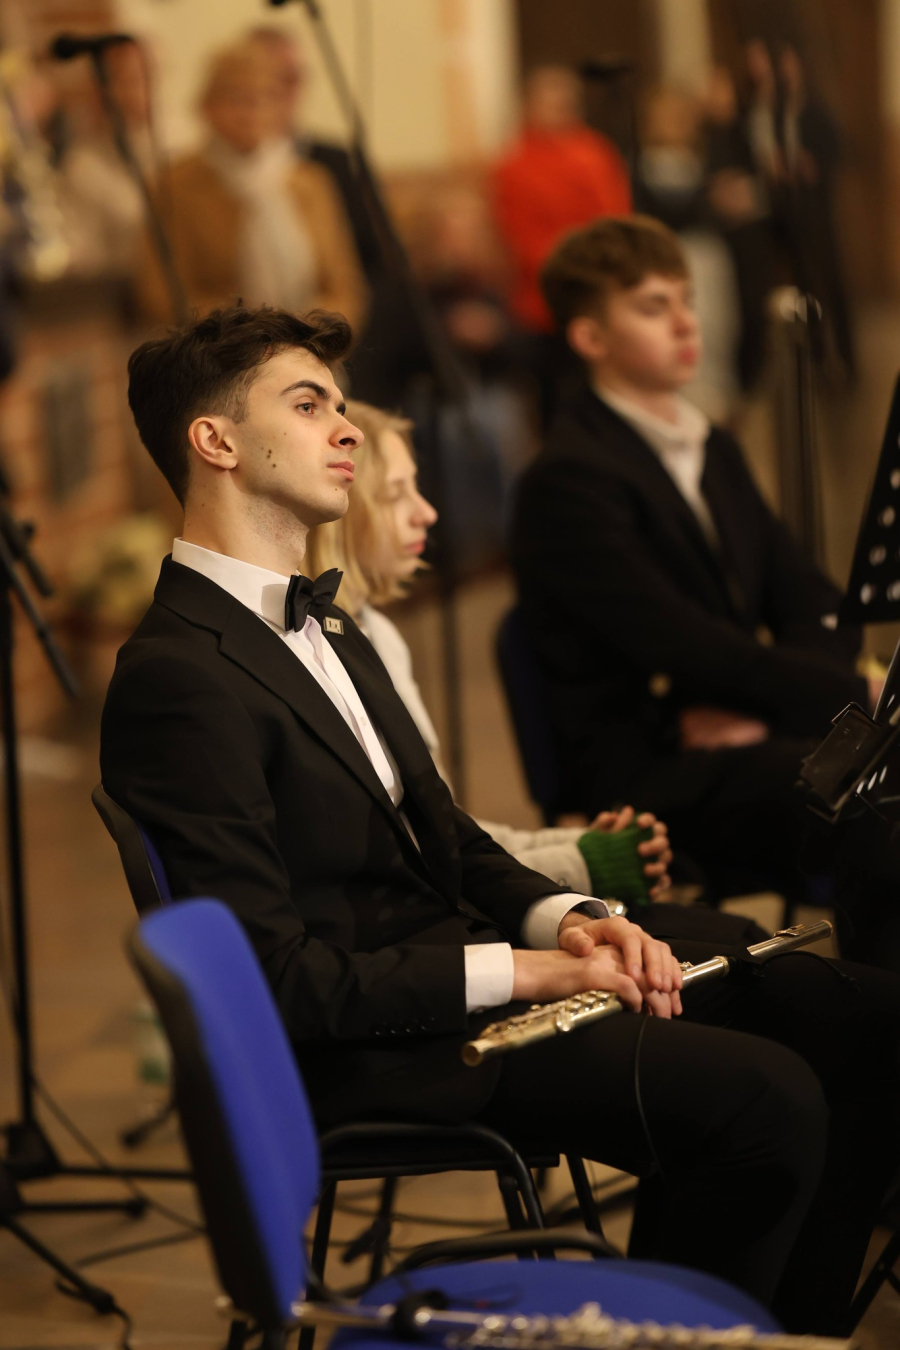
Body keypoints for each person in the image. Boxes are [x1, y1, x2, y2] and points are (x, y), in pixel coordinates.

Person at [101, 302, 900, 1334]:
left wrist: (571, 919)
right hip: (383, 1044)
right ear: (214, 441)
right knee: (766, 1101)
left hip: (456, 966)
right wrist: (530, 973)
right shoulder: (176, 676)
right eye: (308, 406)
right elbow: (280, 978)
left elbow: (452, 838)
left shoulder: (327, 623)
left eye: (341, 404)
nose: (346, 429)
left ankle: (789, 1332)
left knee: (859, 1020)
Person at [305, 396, 774, 950]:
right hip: (431, 935)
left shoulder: (379, 633)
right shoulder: (328, 648)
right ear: (341, 511)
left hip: (480, 895)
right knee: (730, 947)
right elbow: (420, 854)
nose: (426, 513)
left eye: (418, 489)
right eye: (394, 495)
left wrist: (573, 846)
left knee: (741, 938)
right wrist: (578, 862)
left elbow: (451, 828)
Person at [510, 215, 869, 905]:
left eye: (687, 301)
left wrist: (799, 706)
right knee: (870, 790)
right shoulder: (568, 479)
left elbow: (812, 598)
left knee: (872, 769)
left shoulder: (713, 447)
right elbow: (680, 643)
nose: (685, 324)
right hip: (648, 769)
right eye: (653, 307)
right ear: (591, 338)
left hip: (738, 729)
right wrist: (846, 696)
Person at [134, 43, 366, 330]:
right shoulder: (174, 185)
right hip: (221, 345)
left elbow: (346, 286)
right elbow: (161, 295)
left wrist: (310, 328)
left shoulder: (311, 182)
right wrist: (255, 331)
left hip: (308, 338)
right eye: (237, 97)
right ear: (207, 106)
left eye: (266, 96)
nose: (252, 109)